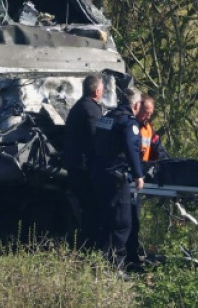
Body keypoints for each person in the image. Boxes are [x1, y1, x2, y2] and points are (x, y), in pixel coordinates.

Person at [91, 87, 144, 269]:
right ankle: (116, 266)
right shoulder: (129, 122)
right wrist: (138, 174)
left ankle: (101, 263)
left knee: (105, 219)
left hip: (99, 173)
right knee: (122, 222)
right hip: (116, 175)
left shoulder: (106, 118)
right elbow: (132, 149)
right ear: (136, 105)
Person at [125, 93, 169, 270]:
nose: (148, 116)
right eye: (146, 112)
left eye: (150, 114)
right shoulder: (128, 125)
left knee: (134, 221)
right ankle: (126, 259)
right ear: (137, 106)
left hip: (138, 180)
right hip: (127, 178)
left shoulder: (148, 129)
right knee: (126, 221)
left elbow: (160, 152)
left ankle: (132, 257)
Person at [63, 74, 106, 248]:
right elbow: (96, 139)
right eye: (102, 89)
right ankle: (90, 247)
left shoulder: (80, 107)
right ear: (96, 91)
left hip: (76, 166)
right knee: (91, 210)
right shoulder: (90, 110)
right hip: (84, 169)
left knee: (87, 210)